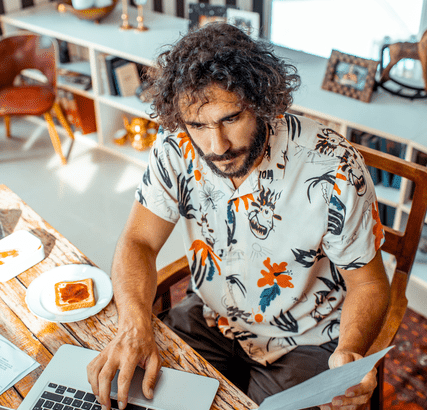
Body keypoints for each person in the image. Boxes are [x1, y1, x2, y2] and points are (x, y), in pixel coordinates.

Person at [86, 22, 390, 410]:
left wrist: (350, 350)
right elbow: (139, 240)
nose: (217, 146)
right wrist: (133, 324)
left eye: (231, 118)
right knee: (134, 399)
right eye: (198, 125)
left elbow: (369, 283)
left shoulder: (334, 167)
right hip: (210, 316)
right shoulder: (175, 145)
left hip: (306, 339)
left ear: (262, 100)